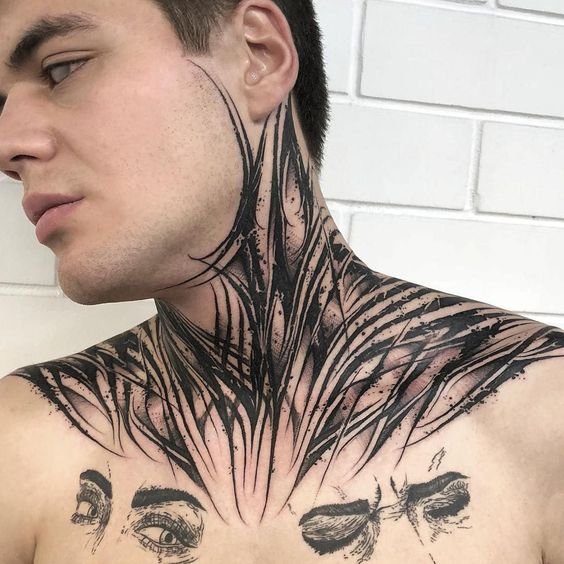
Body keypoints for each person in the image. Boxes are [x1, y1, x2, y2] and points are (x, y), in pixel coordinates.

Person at [0, 0, 563, 562]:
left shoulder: (543, 415)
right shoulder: (20, 439)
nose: (8, 147)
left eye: (61, 69)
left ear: (259, 56)